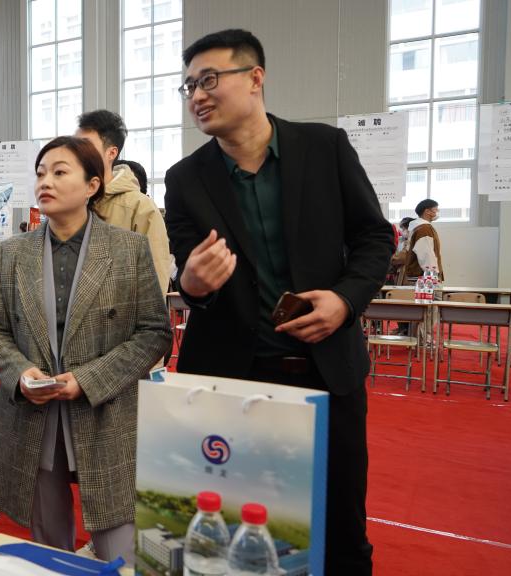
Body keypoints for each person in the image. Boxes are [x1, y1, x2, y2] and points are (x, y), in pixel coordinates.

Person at [164, 30, 393, 575]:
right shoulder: (185, 179)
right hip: (233, 383)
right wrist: (191, 283)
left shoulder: (324, 148)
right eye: (189, 86)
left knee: (341, 531)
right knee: (238, 532)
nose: (198, 95)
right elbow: (188, 273)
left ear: (255, 78)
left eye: (209, 80)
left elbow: (374, 237)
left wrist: (345, 300)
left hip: (325, 373)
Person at [0, 136, 172, 563]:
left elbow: (155, 333)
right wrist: (20, 374)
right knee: (49, 545)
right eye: (40, 173)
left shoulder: (127, 249)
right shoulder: (13, 253)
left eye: (59, 172)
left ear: (92, 185)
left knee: (119, 547)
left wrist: (87, 380)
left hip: (106, 413)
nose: (45, 181)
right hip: (36, 415)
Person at [75, 109, 172, 294]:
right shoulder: (70, 203)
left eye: (86, 146)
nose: (77, 154)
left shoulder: (140, 208)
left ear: (111, 153)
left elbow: (154, 283)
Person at [400, 199, 444, 282]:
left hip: (419, 276)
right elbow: (426, 254)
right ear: (427, 211)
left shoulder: (419, 227)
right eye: (436, 210)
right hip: (423, 279)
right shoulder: (424, 229)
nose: (437, 212)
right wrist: (432, 276)